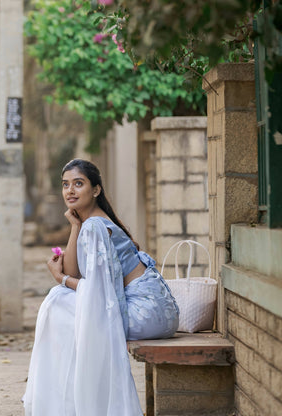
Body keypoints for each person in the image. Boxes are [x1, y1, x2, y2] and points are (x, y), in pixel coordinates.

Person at [23, 159, 179, 416]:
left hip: (146, 313)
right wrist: (74, 226)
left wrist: (60, 279)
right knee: (60, 301)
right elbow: (76, 272)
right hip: (157, 312)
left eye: (78, 184)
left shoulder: (95, 226)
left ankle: (72, 402)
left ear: (96, 190)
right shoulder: (89, 223)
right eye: (65, 185)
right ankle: (73, 398)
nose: (70, 191)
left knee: (57, 302)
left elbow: (96, 292)